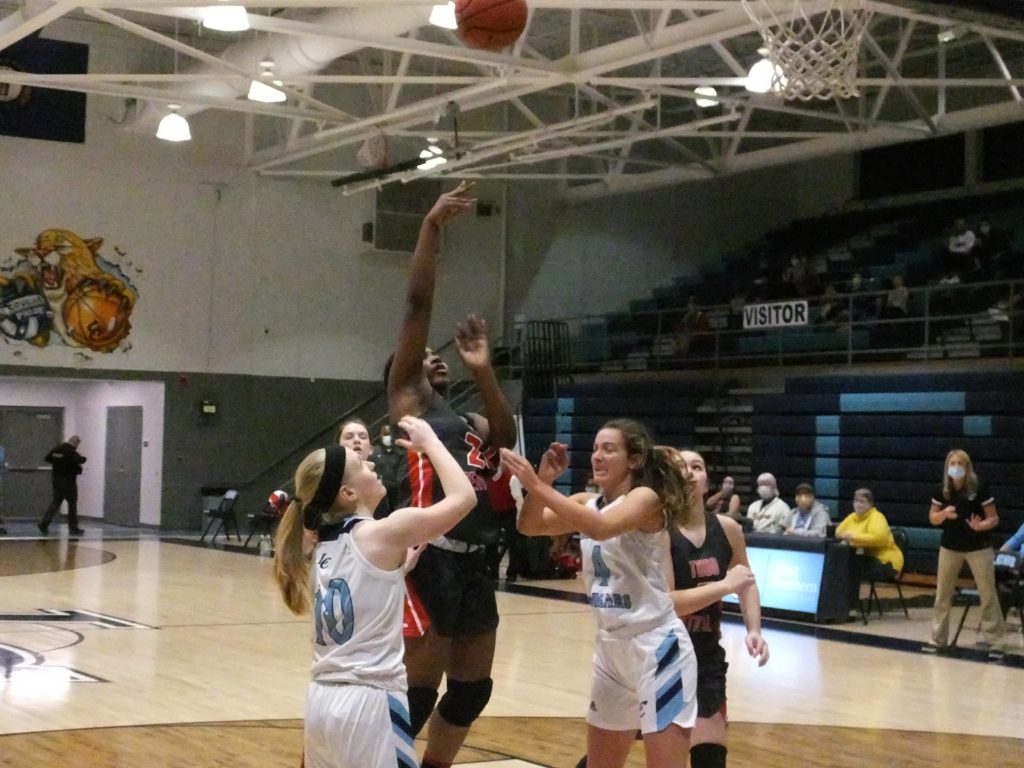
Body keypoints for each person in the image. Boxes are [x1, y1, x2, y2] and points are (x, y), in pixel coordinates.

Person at [386, 181, 517, 768]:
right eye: (424, 356)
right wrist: (430, 228)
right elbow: (417, 306)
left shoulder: (463, 419)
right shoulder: (409, 399)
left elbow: (504, 438)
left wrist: (483, 371)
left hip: (478, 559)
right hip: (432, 557)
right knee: (416, 694)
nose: (434, 355)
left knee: (472, 690)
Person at [273, 415, 476, 768]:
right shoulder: (384, 533)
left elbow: (360, 586)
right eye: (361, 466)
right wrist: (430, 442)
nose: (371, 465)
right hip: (369, 705)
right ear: (348, 493)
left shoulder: (323, 545)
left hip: (321, 701)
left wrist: (398, 570)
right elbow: (464, 498)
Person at [502, 419, 699, 768]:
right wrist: (545, 480)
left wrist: (534, 484)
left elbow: (601, 528)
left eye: (609, 449)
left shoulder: (645, 498)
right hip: (611, 647)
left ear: (634, 460)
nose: (597, 456)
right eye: (595, 448)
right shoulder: (586, 503)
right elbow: (529, 526)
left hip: (657, 646)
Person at [669, 449, 768, 768]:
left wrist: (754, 630)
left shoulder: (727, 529)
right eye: (680, 467)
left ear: (707, 481)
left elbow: (746, 582)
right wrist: (724, 586)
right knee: (610, 750)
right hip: (660, 655)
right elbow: (667, 602)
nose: (689, 472)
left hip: (705, 655)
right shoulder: (656, 531)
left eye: (697, 467)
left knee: (710, 755)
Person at [925, 449, 1006, 657]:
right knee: (942, 595)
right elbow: (932, 517)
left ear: (967, 466)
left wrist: (980, 526)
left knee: (987, 594)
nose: (956, 467)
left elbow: (994, 518)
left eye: (960, 463)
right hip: (950, 547)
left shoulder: (979, 488)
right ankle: (937, 639)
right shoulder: (942, 490)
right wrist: (943, 514)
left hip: (978, 547)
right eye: (952, 463)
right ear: (947, 466)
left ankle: (996, 642)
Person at [835, 488, 903, 581]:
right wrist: (850, 537)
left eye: (862, 501)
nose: (858, 504)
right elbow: (838, 531)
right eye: (856, 501)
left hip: (885, 561)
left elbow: (879, 539)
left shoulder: (877, 517)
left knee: (849, 567)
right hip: (865, 557)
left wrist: (852, 537)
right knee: (843, 564)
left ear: (870, 504)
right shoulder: (853, 516)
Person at [38, 435, 86, 535]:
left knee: (56, 502)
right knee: (72, 504)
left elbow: (48, 458)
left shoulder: (58, 449)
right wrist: (81, 461)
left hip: (56, 479)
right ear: (76, 442)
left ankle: (44, 523)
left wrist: (58, 463)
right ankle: (73, 528)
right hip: (69, 481)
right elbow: (80, 460)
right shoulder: (70, 451)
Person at [370, 424, 405, 515]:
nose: (387, 437)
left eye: (389, 434)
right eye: (385, 434)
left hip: (397, 492)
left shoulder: (399, 452)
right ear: (381, 435)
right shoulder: (374, 452)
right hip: (381, 491)